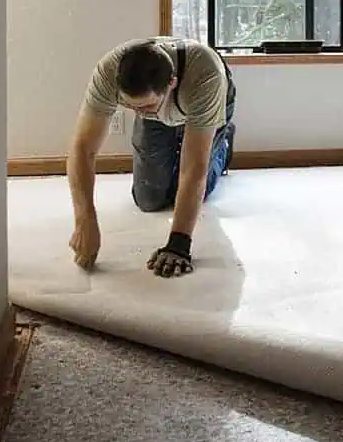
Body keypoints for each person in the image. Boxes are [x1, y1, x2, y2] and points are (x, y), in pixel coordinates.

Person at [65, 37, 236, 278]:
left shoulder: (206, 77)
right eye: (131, 107)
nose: (137, 112)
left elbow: (194, 168)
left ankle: (223, 146)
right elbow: (82, 149)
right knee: (148, 199)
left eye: (144, 108)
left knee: (196, 183)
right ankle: (173, 137)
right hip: (163, 109)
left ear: (172, 83)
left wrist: (178, 244)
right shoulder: (108, 72)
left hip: (207, 100)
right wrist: (85, 219)